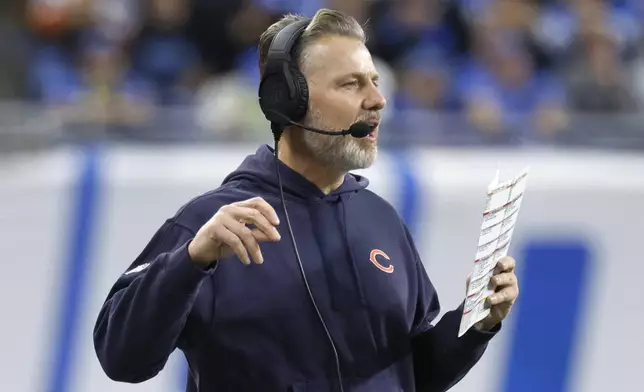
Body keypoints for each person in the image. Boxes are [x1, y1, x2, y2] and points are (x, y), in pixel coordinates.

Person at [93, 9, 520, 392]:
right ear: (288, 100)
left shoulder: (381, 220)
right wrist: (190, 261)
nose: (377, 99)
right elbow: (122, 359)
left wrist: (475, 324)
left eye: (374, 81)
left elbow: (411, 375)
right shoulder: (212, 224)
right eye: (351, 84)